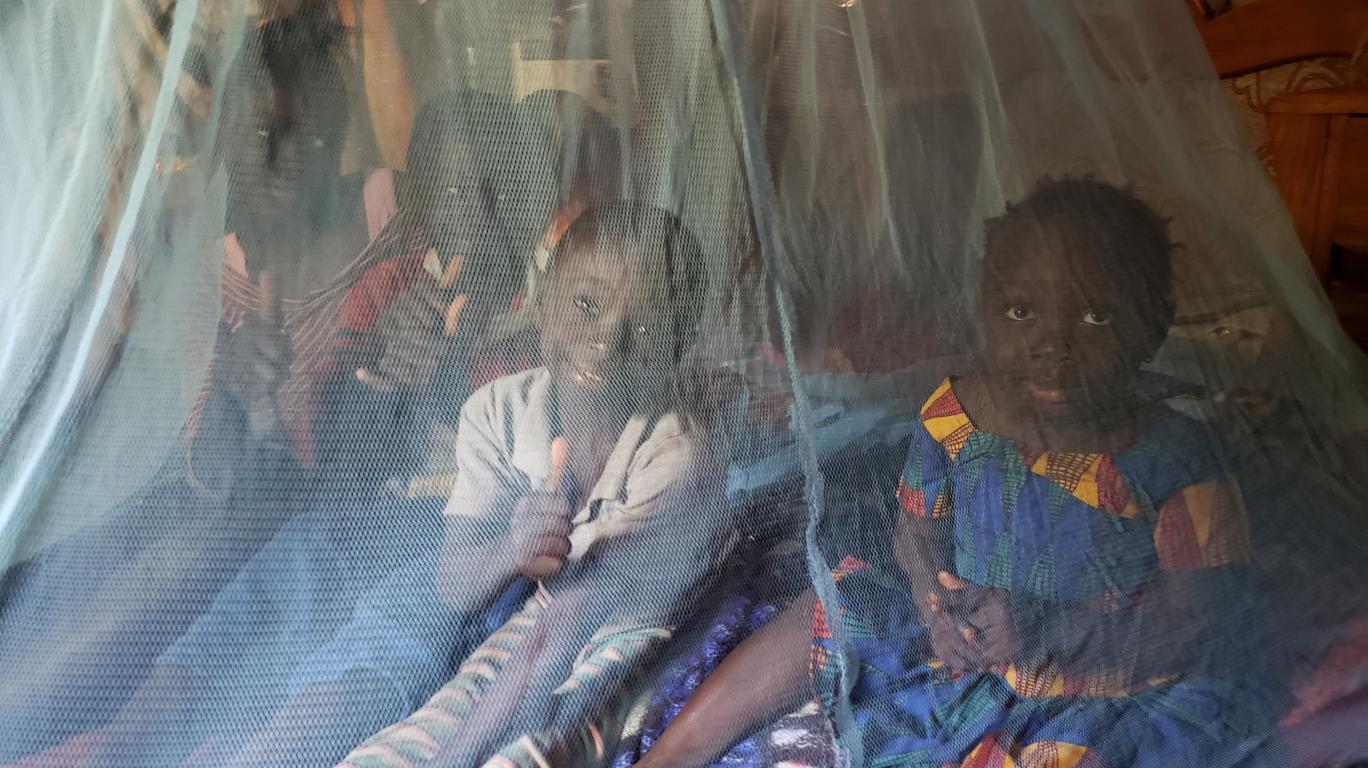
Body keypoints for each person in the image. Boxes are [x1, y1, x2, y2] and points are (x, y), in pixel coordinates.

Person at [633, 178, 1278, 768]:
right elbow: (916, 528)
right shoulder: (955, 414)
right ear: (982, 311)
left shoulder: (1177, 460)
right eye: (1021, 312)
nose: (1053, 343)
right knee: (839, 598)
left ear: (1155, 326)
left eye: (1096, 317)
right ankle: (675, 753)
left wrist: (1048, 631)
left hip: (1103, 683)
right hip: (963, 642)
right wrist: (930, 601)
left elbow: (1196, 621)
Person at [5, 90, 543, 768]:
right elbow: (334, 456)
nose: (478, 210)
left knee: (379, 643)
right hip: (355, 514)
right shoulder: (388, 289)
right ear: (425, 204)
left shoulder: (546, 313)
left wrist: (452, 382)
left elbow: (541, 457)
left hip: (465, 538)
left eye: (499, 188)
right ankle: (110, 745)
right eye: (456, 190)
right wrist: (383, 373)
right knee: (245, 611)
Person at [327, 199, 731, 768]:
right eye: (586, 304)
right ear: (542, 300)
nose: (606, 342)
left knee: (530, 751)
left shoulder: (673, 454)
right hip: (537, 619)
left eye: (643, 327)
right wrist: (510, 551)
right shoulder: (499, 410)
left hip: (629, 629)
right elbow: (456, 585)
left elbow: (565, 634)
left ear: (677, 346)